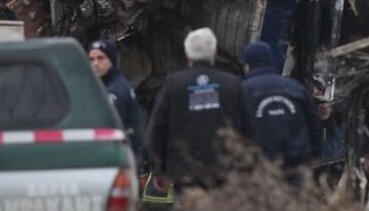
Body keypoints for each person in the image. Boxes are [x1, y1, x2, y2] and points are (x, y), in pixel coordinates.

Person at [145, 28, 252, 190]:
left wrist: (159, 170)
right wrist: (247, 168)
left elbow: (157, 130)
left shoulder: (173, 85)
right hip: (224, 171)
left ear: (187, 54)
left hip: (185, 172)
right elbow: (249, 129)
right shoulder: (233, 84)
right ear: (215, 53)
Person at [240, 42, 321, 175]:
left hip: (259, 167)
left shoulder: (242, 90)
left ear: (247, 66)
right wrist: (315, 153)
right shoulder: (296, 87)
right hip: (296, 165)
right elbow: (314, 123)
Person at [89, 39, 146, 169]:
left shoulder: (117, 90)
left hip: (118, 161)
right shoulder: (97, 86)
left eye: (100, 58)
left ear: (111, 59)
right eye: (92, 59)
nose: (96, 63)